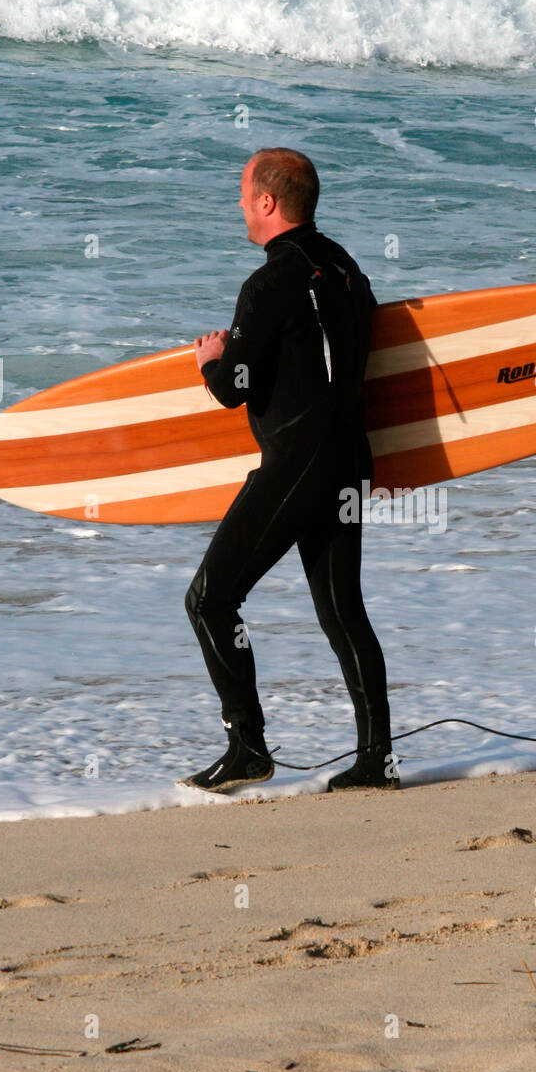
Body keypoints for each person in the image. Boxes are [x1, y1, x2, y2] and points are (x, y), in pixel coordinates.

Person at [182, 147, 397, 794]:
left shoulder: (270, 281)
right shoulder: (347, 269)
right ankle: (376, 762)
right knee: (342, 611)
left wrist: (210, 360)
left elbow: (233, 387)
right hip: (351, 459)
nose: (240, 205)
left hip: (298, 463)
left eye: (245, 195)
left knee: (210, 599)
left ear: (270, 202)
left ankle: (248, 747)